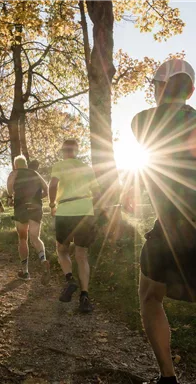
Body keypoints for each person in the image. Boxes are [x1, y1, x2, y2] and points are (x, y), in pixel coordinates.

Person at [132, 59, 196, 384]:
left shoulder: (143, 121)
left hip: (171, 228)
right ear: (192, 89)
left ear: (159, 87)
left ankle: (168, 378)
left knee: (149, 296)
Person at [49, 139, 100, 313]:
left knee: (62, 249)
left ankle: (70, 280)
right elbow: (98, 192)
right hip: (85, 210)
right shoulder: (86, 167)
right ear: (76, 151)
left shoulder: (59, 165)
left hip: (65, 210)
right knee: (82, 255)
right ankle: (85, 296)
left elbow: (53, 185)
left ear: (63, 151)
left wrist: (51, 204)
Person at [7, 155, 50, 285]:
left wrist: (10, 197)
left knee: (23, 239)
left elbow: (9, 186)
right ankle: (43, 260)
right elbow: (47, 189)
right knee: (35, 237)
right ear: (25, 164)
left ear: (15, 165)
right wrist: (38, 198)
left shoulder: (15, 172)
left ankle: (25, 272)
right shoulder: (35, 173)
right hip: (36, 208)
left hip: (21, 207)